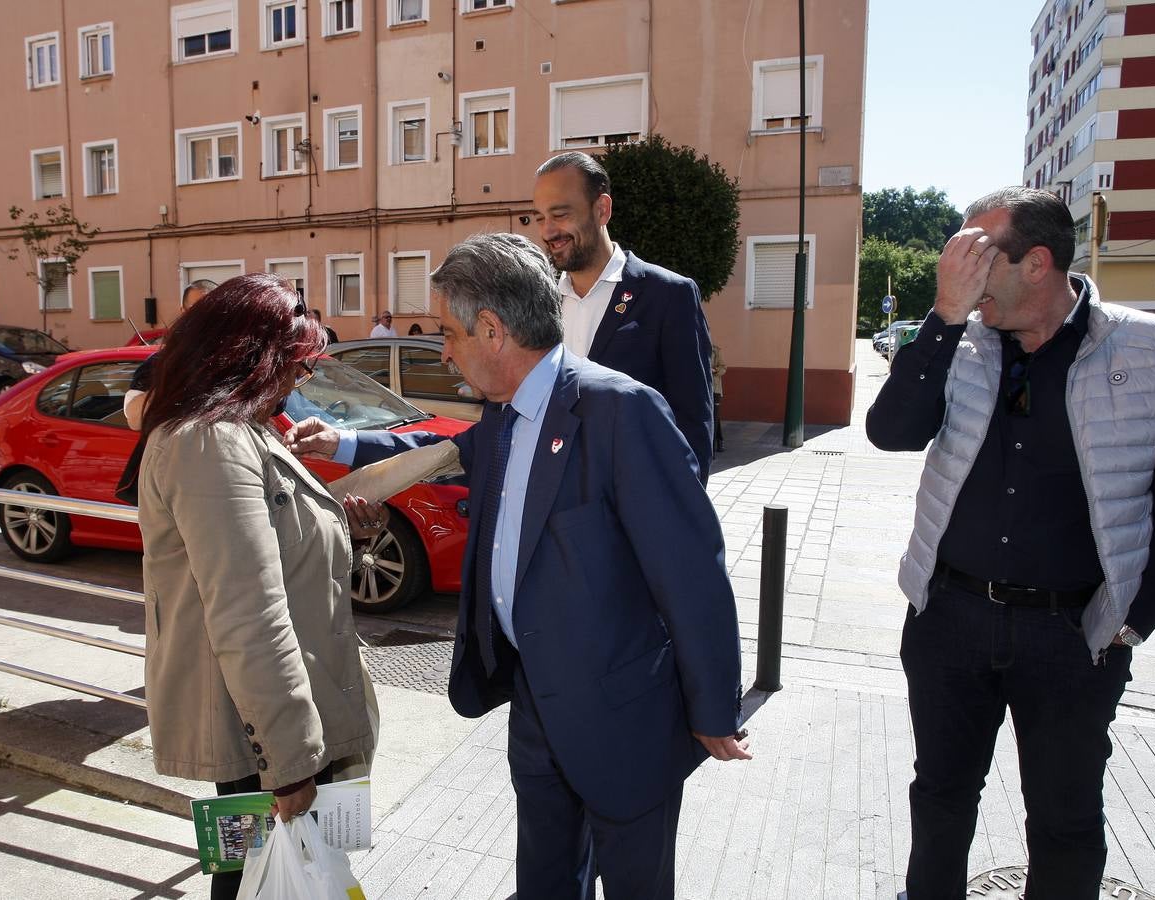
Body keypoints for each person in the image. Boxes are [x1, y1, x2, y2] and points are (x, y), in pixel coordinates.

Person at [285, 233, 746, 900]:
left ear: (493, 330)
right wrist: (345, 441)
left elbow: (693, 571)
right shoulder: (501, 417)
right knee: (545, 884)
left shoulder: (620, 411)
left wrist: (713, 708)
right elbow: (436, 449)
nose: (442, 349)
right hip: (535, 708)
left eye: (449, 331)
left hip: (623, 721)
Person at [866, 187, 1155, 899]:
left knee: (1064, 821)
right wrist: (942, 315)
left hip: (1074, 634)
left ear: (1038, 264)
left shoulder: (1151, 349)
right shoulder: (958, 339)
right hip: (950, 621)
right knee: (940, 800)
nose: (960, 272)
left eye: (978, 256)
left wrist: (1135, 617)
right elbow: (890, 432)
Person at [136, 274, 381, 900]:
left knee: (260, 882)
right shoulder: (207, 443)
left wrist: (343, 533)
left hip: (274, 717)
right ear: (254, 359)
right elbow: (248, 613)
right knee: (254, 884)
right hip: (257, 735)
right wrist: (290, 761)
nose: (299, 382)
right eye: (295, 367)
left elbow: (282, 561)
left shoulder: (243, 431)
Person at [532, 151, 715, 484]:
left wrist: (683, 513)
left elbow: (693, 422)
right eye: (540, 217)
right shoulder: (538, 300)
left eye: (559, 214)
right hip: (554, 507)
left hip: (632, 507)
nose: (548, 231)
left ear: (602, 209)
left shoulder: (668, 295)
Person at [123, 279, 216, 431]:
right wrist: (174, 374)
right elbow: (134, 419)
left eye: (211, 310)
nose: (204, 318)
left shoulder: (236, 359)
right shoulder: (160, 362)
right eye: (196, 310)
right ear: (184, 313)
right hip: (175, 452)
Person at [711, 342, 726, 453]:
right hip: (702, 388)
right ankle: (715, 441)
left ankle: (718, 442)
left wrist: (715, 370)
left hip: (714, 389)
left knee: (715, 415)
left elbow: (723, 368)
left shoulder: (715, 350)